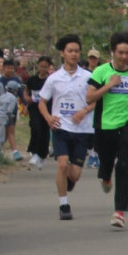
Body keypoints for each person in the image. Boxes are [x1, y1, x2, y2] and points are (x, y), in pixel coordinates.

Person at [86, 32, 128, 230]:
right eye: (120, 53)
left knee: (125, 165)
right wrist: (109, 85)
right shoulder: (101, 72)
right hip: (104, 126)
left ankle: (119, 212)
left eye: (127, 53)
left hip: (125, 125)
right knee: (107, 164)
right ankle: (105, 175)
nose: (124, 56)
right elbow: (89, 98)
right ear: (113, 52)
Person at [38, 35, 94, 220]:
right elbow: (42, 101)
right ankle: (64, 205)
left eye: (77, 51)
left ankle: (69, 180)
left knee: (75, 175)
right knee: (62, 164)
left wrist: (84, 111)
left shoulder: (88, 77)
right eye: (70, 51)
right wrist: (48, 117)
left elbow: (97, 101)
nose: (74, 54)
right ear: (62, 53)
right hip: (61, 127)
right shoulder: (54, 78)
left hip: (82, 129)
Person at [25, 56, 53, 168]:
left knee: (44, 131)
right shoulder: (32, 79)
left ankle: (42, 154)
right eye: (41, 66)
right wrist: (26, 99)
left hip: (47, 109)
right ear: (37, 66)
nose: (43, 69)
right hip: (34, 108)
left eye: (45, 67)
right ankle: (34, 152)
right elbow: (26, 91)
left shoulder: (51, 80)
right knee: (35, 128)